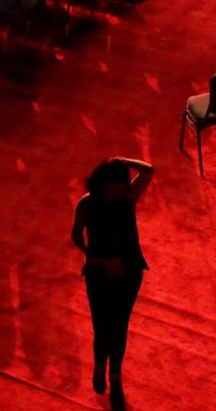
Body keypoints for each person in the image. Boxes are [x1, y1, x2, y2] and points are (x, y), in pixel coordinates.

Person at [71, 157, 153, 408]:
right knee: (101, 324)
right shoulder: (86, 205)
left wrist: (122, 160)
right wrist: (92, 256)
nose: (118, 189)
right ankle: (99, 364)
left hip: (129, 272)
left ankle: (115, 375)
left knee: (119, 324)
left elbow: (149, 171)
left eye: (121, 184)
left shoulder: (127, 200)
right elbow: (76, 234)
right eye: (113, 185)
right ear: (102, 183)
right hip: (98, 272)